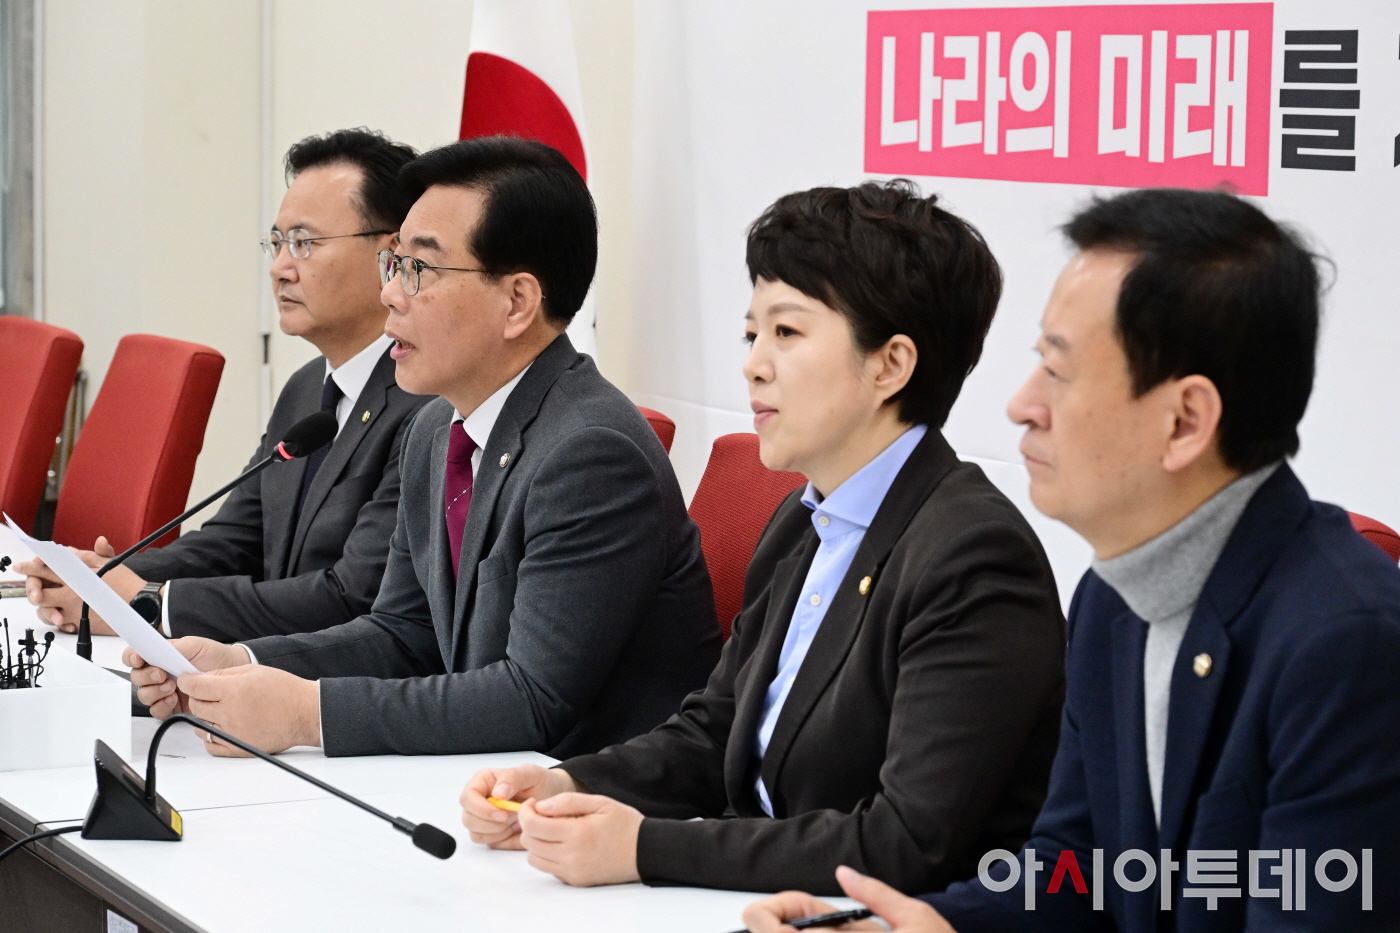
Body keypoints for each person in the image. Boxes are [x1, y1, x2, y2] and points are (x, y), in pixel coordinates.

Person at [740, 188, 1400, 932]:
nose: (1022, 405)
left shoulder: (1347, 644)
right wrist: (928, 926)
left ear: (1184, 420)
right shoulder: (1112, 600)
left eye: (1058, 372)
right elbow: (1077, 867)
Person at [459, 181, 1067, 895]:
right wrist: (565, 784)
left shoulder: (974, 557)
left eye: (787, 333)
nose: (753, 363)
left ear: (891, 365)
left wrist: (646, 848)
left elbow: (906, 842)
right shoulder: (803, 520)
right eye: (753, 334)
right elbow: (714, 731)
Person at [124, 137, 722, 758]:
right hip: (479, 782)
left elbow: (531, 700)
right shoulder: (435, 429)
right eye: (394, 264)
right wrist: (242, 662)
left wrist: (305, 714)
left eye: (419, 269)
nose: (390, 293)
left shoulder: (592, 455)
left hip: (587, 793)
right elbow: (404, 633)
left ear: (517, 302)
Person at [18, 128, 428, 643]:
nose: (279, 268)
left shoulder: (426, 404)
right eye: (277, 243)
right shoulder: (306, 389)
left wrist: (148, 603)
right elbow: (235, 541)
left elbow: (351, 598)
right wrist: (107, 576)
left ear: (390, 256)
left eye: (303, 243)